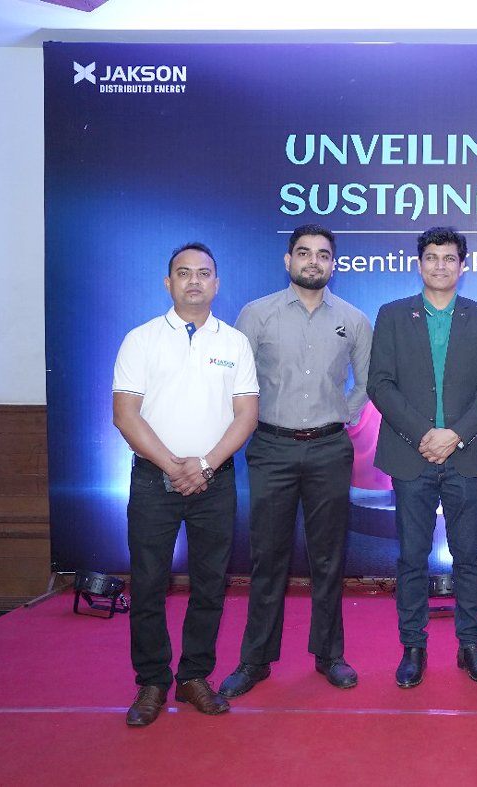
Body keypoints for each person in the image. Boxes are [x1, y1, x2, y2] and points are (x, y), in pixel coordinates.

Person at [219, 224, 372, 698]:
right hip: (271, 447)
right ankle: (255, 660)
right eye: (303, 253)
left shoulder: (353, 320)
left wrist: (340, 415)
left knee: (329, 557)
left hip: (329, 448)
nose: (313, 261)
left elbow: (367, 383)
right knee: (268, 557)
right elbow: (235, 380)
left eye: (322, 254)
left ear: (333, 264)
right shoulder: (256, 314)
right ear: (288, 261)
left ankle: (329, 655)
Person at [111, 242, 258, 726]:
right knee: (148, 583)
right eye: (184, 272)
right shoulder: (140, 340)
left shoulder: (234, 343)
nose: (194, 280)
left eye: (204, 273)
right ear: (168, 282)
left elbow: (246, 415)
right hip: (154, 480)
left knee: (210, 585)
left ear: (217, 283)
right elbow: (125, 415)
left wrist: (207, 465)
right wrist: (173, 465)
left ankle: (195, 675)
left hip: (215, 481)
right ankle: (152, 681)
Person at [368, 226, 477, 689]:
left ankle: (471, 645)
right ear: (419, 263)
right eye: (432, 257)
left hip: (465, 456)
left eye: (449, 258)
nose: (440, 265)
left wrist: (455, 435)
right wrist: (424, 434)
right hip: (411, 455)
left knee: (469, 555)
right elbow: (380, 383)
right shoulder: (392, 315)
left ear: (463, 266)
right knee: (412, 556)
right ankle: (413, 647)